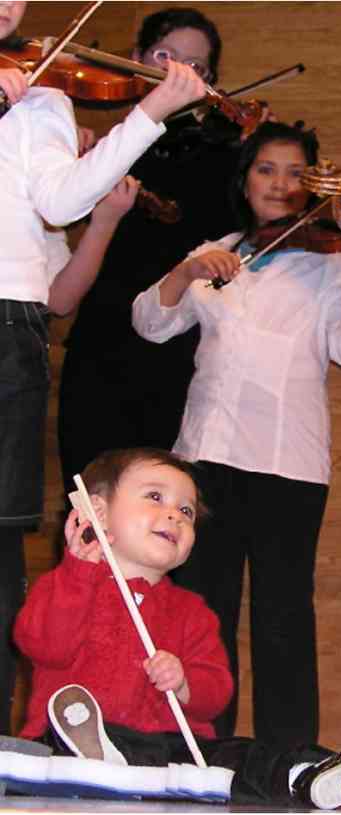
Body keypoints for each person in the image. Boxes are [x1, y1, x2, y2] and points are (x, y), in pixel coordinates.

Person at [132, 121, 341, 750]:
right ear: (245, 179)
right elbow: (149, 323)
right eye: (266, 170)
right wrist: (187, 268)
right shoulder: (217, 252)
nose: (279, 184)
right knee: (205, 616)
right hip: (205, 459)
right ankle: (204, 754)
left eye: (296, 172)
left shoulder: (329, 261)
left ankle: (288, 761)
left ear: (314, 183)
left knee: (283, 621)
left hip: (289, 463)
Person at [1, 0, 206, 736]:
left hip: (8, 319)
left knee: (1, 539)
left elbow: (62, 197)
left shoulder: (45, 92)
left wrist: (152, 107)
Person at [5, 447, 341, 808]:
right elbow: (43, 644)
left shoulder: (191, 610)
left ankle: (309, 776)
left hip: (171, 752)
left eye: (187, 511)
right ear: (98, 512)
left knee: (240, 756)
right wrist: (78, 574)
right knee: (64, 734)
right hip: (70, 744)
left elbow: (217, 693)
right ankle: (95, 753)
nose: (175, 515)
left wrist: (184, 683)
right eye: (155, 497)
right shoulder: (64, 585)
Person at [58, 8, 244, 510]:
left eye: (196, 68)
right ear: (135, 60)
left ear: (211, 83)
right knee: (89, 504)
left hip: (179, 355)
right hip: (102, 344)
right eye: (165, 57)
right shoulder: (106, 149)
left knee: (167, 514)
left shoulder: (228, 161)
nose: (178, 74)